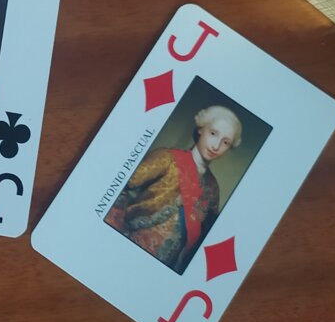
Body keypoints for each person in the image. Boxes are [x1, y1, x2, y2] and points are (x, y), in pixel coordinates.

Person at [104, 105, 243, 274]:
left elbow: (207, 233)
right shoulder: (167, 158)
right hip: (131, 249)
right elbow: (120, 185)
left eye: (225, 142)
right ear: (201, 129)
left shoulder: (213, 187)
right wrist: (113, 231)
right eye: (213, 133)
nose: (216, 145)